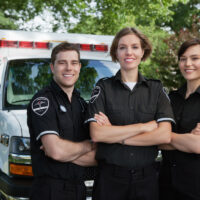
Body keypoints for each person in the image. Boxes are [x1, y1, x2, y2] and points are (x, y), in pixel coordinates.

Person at [85, 27, 175, 200]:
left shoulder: (156, 89)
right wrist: (143, 127)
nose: (129, 52)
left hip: (147, 180)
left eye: (135, 47)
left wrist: (116, 134)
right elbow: (97, 133)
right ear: (116, 53)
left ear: (143, 52)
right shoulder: (103, 88)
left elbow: (164, 135)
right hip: (109, 181)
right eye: (122, 47)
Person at [27, 42, 96, 200]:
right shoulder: (43, 101)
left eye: (73, 63)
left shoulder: (82, 105)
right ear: (52, 67)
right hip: (50, 191)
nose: (68, 68)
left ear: (79, 67)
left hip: (80, 189)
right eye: (62, 63)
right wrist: (88, 145)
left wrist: (64, 152)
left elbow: (98, 157)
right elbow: (55, 151)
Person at [159, 38, 200, 200]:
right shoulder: (171, 99)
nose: (188, 63)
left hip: (195, 188)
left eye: (195, 58)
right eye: (183, 59)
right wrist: (187, 139)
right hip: (165, 185)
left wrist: (164, 135)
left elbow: (198, 146)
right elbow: (156, 140)